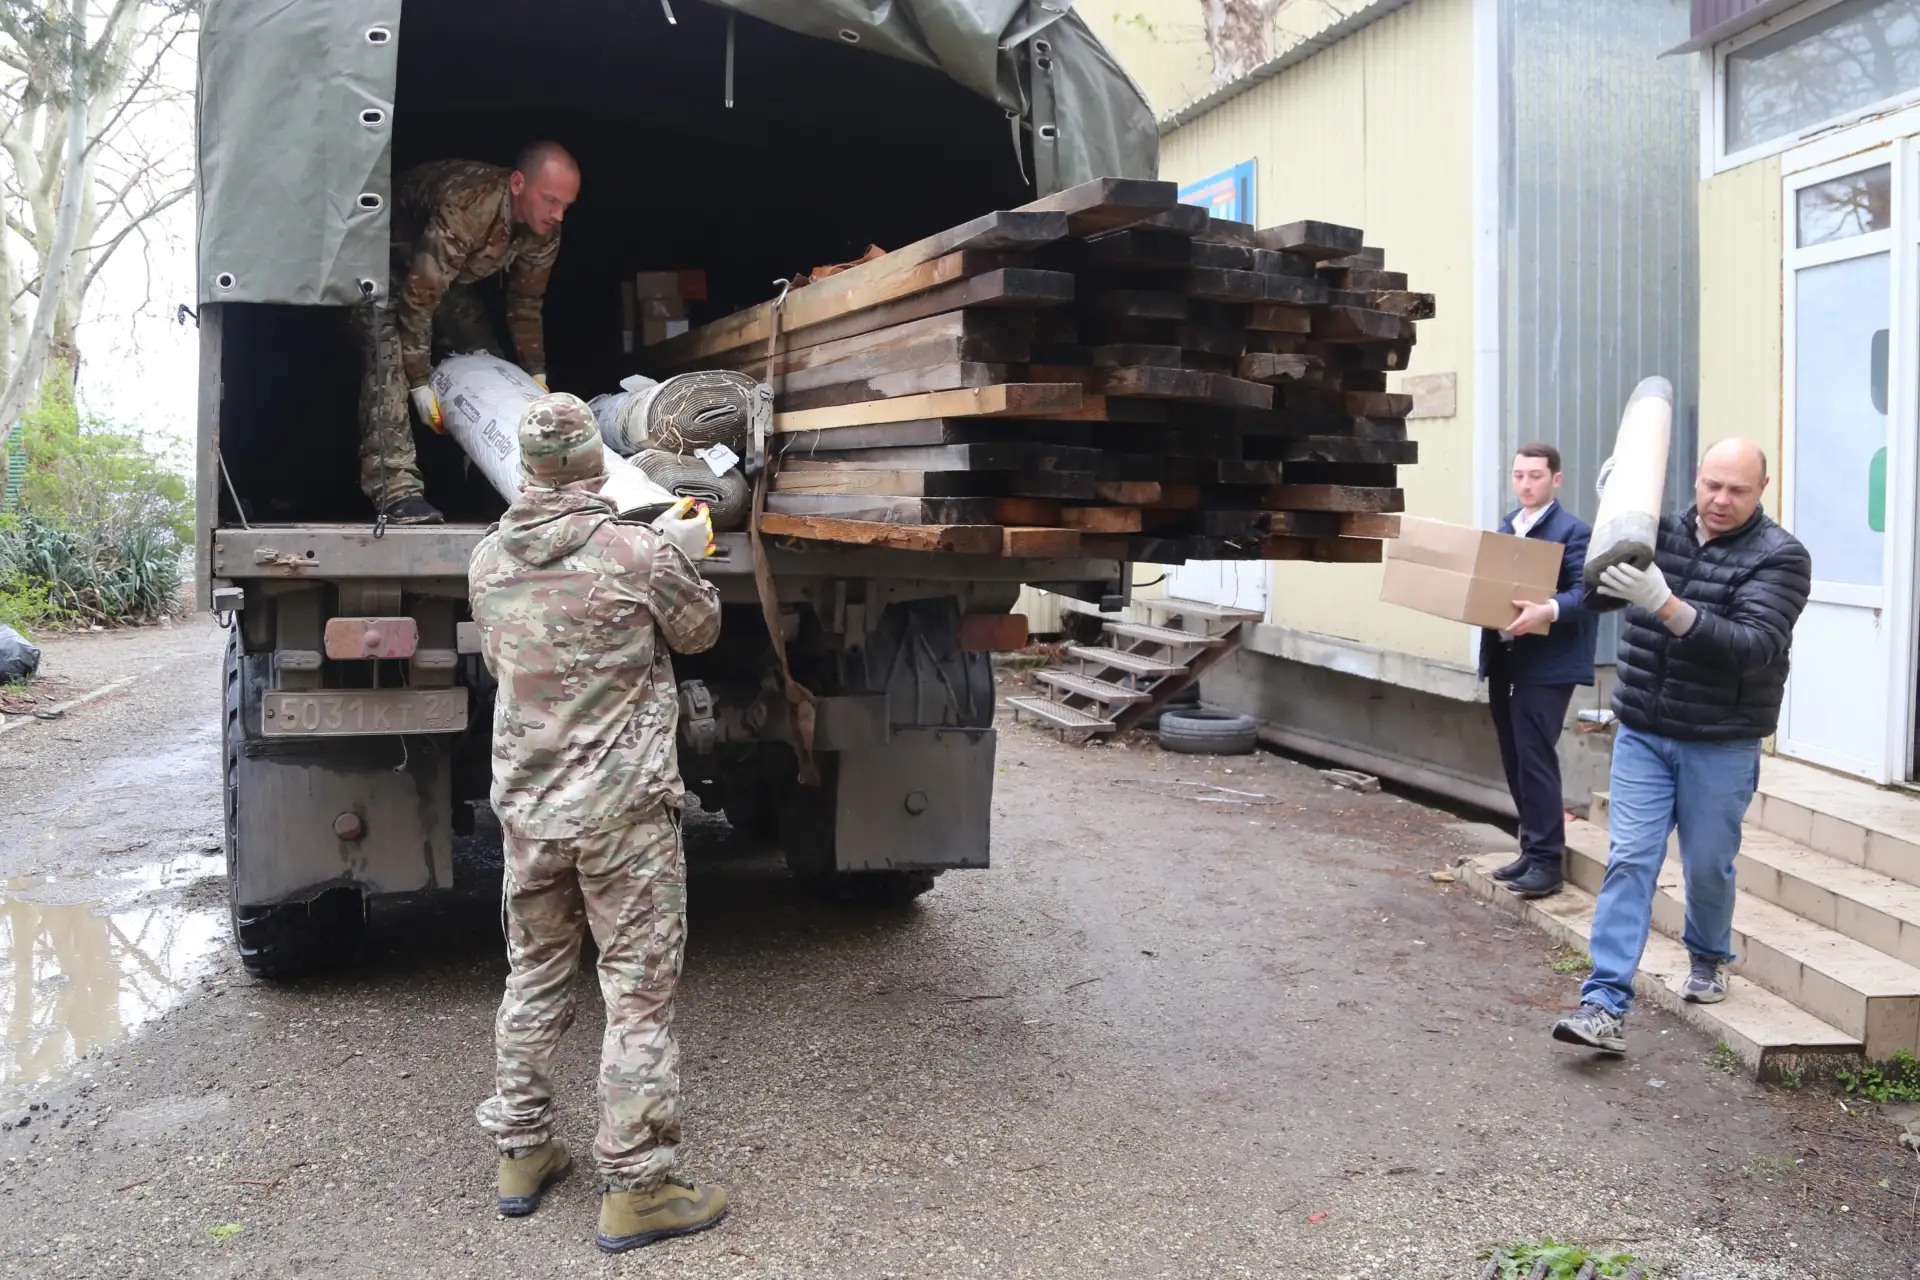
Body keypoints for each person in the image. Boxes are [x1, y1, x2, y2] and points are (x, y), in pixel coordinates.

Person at [468, 391, 728, 1253]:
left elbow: (509, 657)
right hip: (623, 814)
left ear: (527, 470)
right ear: (594, 465)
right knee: (637, 995)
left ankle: (522, 1150)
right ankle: (638, 1187)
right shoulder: (637, 553)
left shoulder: (486, 559)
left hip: (531, 812)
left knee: (535, 974)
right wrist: (681, 552)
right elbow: (700, 632)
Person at [1553, 438, 1811, 1055]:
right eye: (1712, 485)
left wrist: (1666, 604)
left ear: (1762, 490)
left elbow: (1752, 645)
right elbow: (1596, 596)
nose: (1721, 500)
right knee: (1630, 859)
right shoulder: (1660, 532)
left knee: (1706, 864)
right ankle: (1603, 1003)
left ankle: (1709, 954)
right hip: (1644, 731)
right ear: (1696, 478)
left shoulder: (1781, 557)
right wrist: (1616, 520)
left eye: (1738, 490)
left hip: (1721, 740)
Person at [358, 142, 582, 525]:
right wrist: (419, 383)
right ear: (517, 184)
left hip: (441, 278)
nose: (558, 214)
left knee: (487, 364)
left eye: (566, 205)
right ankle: (396, 492)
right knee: (388, 362)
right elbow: (418, 301)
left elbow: (525, 302)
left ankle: (498, 479)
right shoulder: (468, 206)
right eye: (550, 200)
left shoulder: (544, 229)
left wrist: (535, 373)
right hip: (380, 267)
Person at [1481, 443, 1598, 901]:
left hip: (1548, 665)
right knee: (1514, 756)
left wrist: (1547, 609)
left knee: (1534, 755)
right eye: (1519, 475)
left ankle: (1548, 862)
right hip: (1506, 659)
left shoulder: (1574, 532)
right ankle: (1530, 850)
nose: (1526, 484)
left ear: (1556, 480)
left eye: (1535, 476)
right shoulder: (1507, 527)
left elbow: (1586, 594)